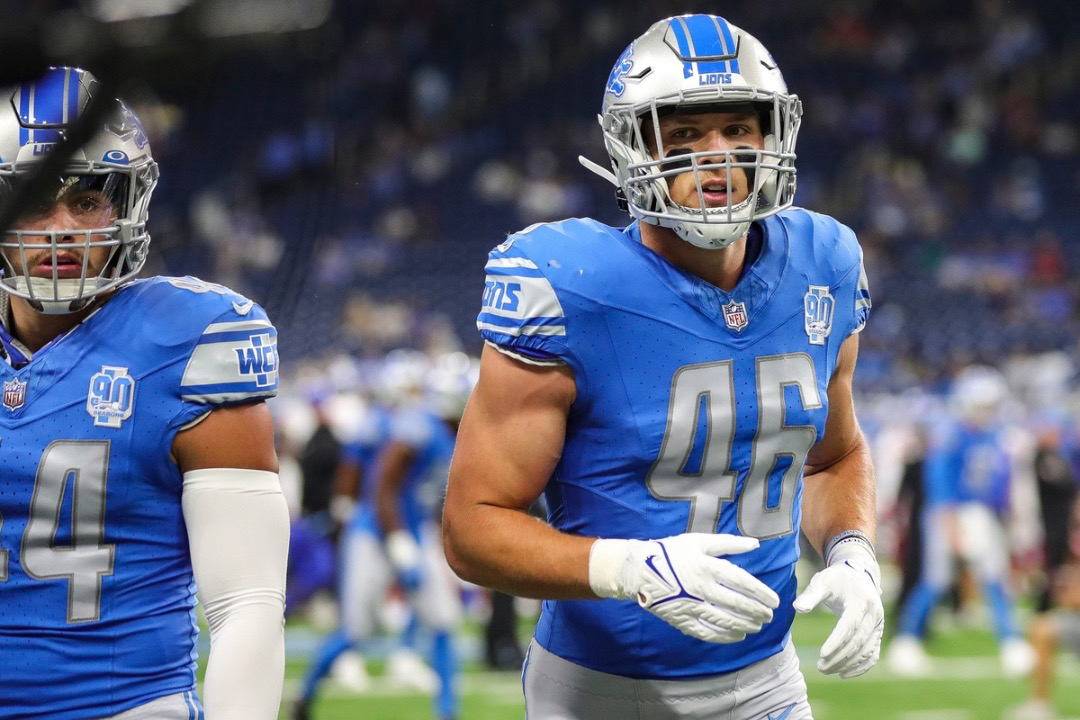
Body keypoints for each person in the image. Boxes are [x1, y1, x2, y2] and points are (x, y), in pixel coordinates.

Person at [442, 14, 881, 719]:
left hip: (770, 683)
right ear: (630, 150)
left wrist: (853, 552)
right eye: (684, 136)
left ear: (775, 134)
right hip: (603, 692)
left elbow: (834, 458)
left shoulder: (825, 263)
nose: (717, 156)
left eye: (739, 130)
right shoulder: (573, 282)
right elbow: (473, 527)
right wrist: (626, 569)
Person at [0, 67, 289, 718]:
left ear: (125, 204)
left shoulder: (189, 339)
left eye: (88, 199)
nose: (60, 228)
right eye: (34, 198)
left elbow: (246, 601)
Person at [889, 365, 1035, 678]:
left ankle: (1011, 643)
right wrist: (949, 524)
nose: (989, 411)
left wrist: (1005, 514)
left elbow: (998, 482)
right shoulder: (951, 434)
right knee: (935, 580)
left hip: (982, 513)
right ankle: (906, 641)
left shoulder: (995, 435)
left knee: (995, 580)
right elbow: (939, 483)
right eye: (984, 405)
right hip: (951, 513)